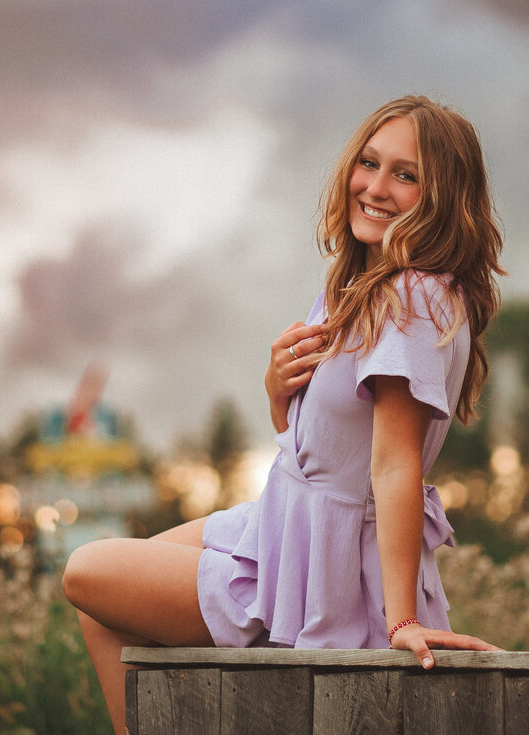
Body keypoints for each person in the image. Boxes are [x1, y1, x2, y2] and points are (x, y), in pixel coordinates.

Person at [63, 94, 505, 730]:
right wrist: (278, 392)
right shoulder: (360, 283)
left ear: (444, 197)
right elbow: (322, 447)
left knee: (89, 573)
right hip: (279, 526)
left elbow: (394, 464)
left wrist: (402, 618)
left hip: (326, 562)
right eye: (370, 164)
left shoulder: (411, 296)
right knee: (114, 600)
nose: (376, 187)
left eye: (405, 175)